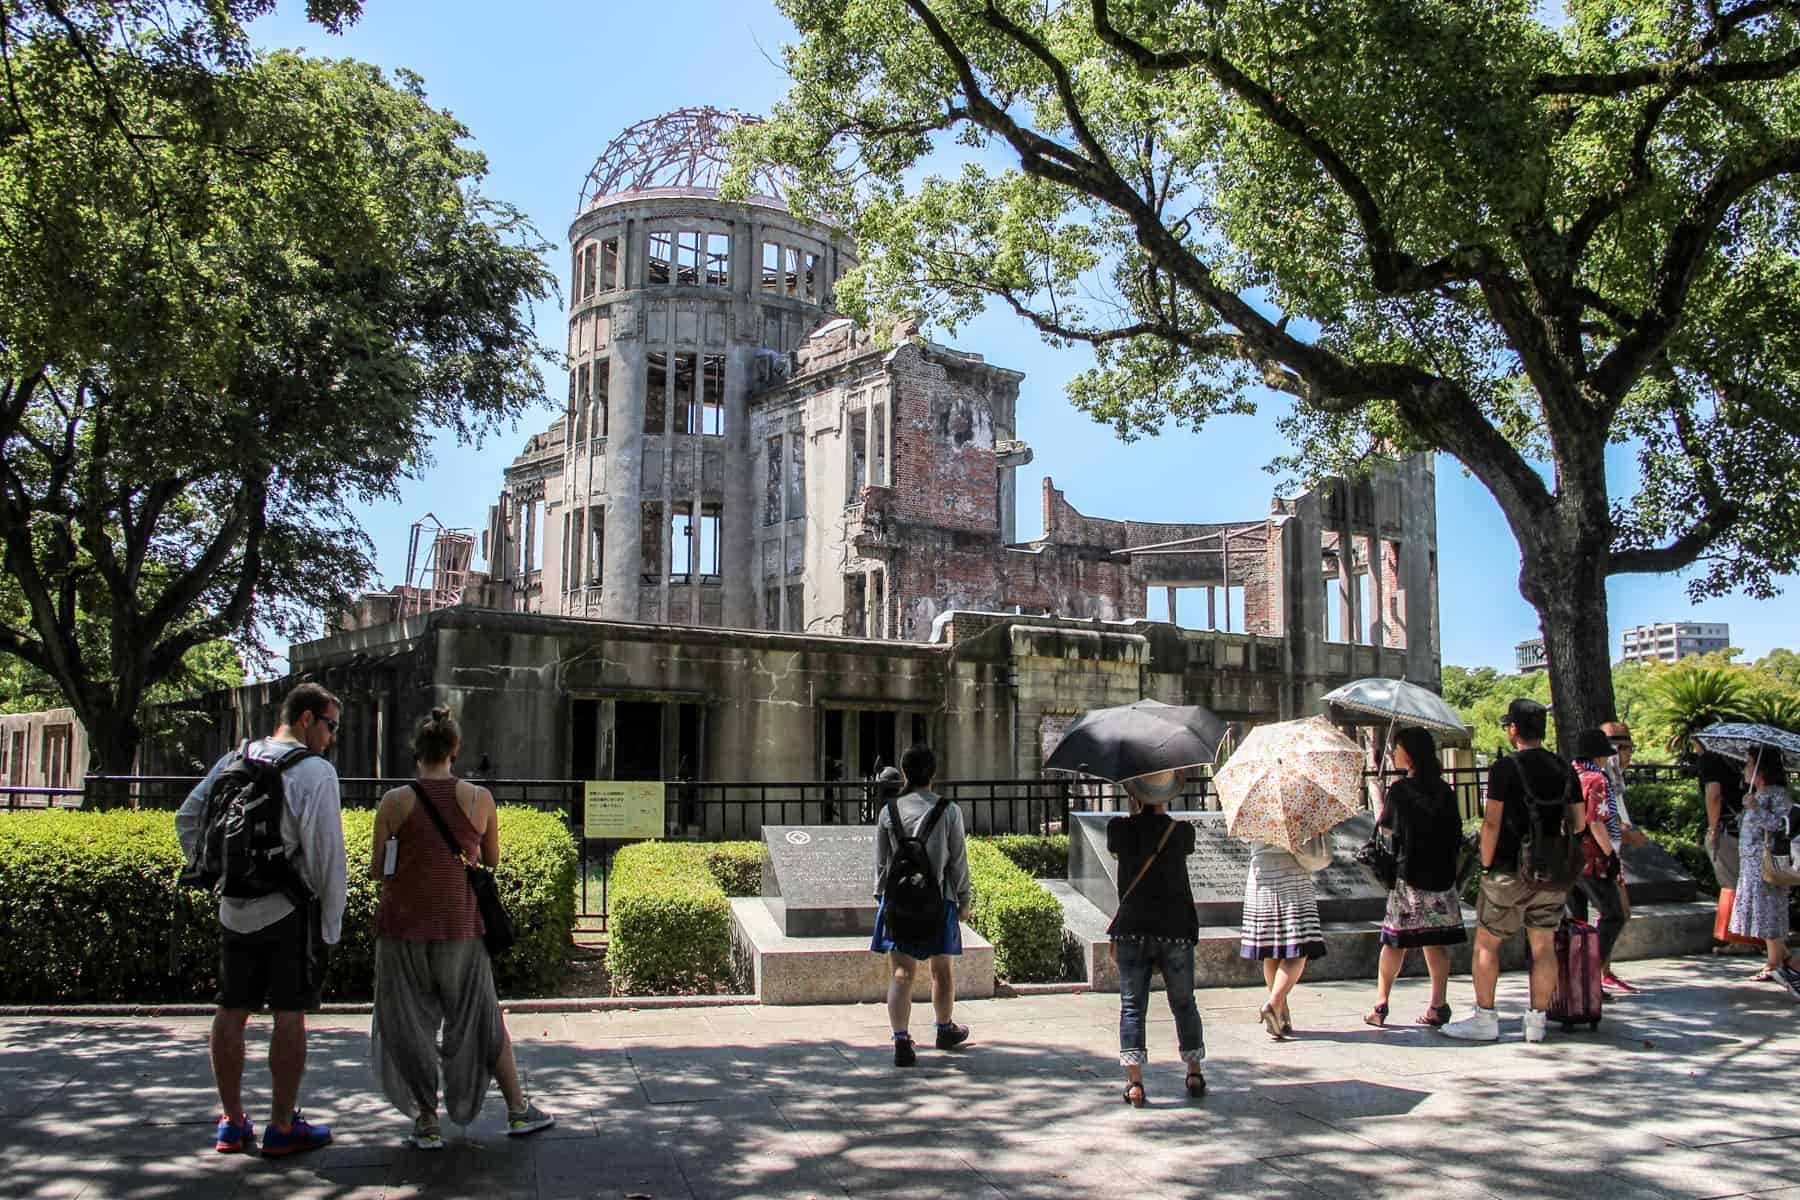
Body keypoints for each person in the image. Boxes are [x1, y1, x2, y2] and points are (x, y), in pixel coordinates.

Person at [368, 706, 554, 1148]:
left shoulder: (394, 801)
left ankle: (426, 1120)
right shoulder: (478, 798)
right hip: (461, 925)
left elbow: (378, 869)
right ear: (454, 750)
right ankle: (517, 1110)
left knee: (409, 1023)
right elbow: (490, 860)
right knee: (483, 1016)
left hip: (402, 927)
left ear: (417, 751)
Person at [175, 683, 347, 1157]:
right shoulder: (315, 772)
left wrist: (216, 869)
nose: (333, 736)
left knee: (231, 1010)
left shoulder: (238, 757)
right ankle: (281, 1126)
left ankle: (231, 1121)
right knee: (288, 1016)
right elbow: (327, 855)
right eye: (331, 725)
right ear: (307, 720)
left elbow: (188, 817)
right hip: (287, 911)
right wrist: (331, 923)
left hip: (234, 907)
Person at [1444, 698, 1586, 1044]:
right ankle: (1536, 1023)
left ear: (1513, 729)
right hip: (1552, 871)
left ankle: (1486, 1018)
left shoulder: (1506, 768)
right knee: (1543, 945)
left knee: (1488, 942)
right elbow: (1579, 822)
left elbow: (1491, 822)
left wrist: (1488, 866)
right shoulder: (1565, 768)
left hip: (1508, 867)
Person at [1107, 769, 1205, 1104]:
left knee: (1132, 1006)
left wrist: (1135, 810)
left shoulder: (1119, 830)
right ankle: (1193, 1071)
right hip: (1176, 928)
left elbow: (1121, 851)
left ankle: (1135, 1082)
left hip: (1133, 928)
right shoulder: (1181, 833)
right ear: (1168, 795)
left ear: (1134, 794)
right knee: (1184, 1002)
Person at [871, 743, 972, 1066]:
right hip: (938, 900)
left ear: (904, 771)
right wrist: (964, 900)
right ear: (934, 773)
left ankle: (901, 1041)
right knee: (942, 972)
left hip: (898, 901)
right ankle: (944, 1029)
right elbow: (958, 861)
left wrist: (882, 900)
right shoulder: (949, 811)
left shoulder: (889, 812)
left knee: (902, 973)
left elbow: (881, 865)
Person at [1363, 727, 1466, 1029]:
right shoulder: (1444, 790)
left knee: (1395, 942)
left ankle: (1381, 1004)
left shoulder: (1401, 791)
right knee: (1436, 943)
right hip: (1442, 876)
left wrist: (1382, 807)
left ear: (1409, 752)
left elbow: (1387, 830)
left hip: (1409, 876)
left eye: (1397, 747)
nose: (1394, 753)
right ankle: (1438, 1003)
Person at [1239, 825, 1326, 1040]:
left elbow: (1242, 835)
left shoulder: (1254, 801)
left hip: (1261, 874)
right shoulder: (1302, 798)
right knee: (1299, 949)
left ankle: (1282, 1015)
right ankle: (1274, 1003)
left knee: (1271, 949)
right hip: (1292, 872)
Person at [1728, 748, 1799, 997]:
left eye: (1749, 764)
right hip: (1750, 863)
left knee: (1769, 909)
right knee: (1761, 909)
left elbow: (1782, 826)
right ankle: (1781, 957)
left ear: (1762, 769)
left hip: (1766, 862)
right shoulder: (1757, 793)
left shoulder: (1777, 795)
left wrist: (1756, 808)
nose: (1745, 769)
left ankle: (1775, 962)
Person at [1566, 728, 1629, 987]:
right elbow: (1595, 821)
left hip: (1568, 856)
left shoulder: (1570, 774)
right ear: (1599, 756)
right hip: (1593, 857)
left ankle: (1572, 978)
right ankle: (1589, 974)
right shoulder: (1596, 779)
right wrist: (1610, 854)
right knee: (1614, 914)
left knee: (1577, 919)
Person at [1696, 739, 1760, 954]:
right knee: (1746, 882)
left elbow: (1714, 794)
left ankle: (1740, 939)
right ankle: (1755, 937)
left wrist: (1713, 829)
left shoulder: (1708, 759)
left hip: (1726, 829)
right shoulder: (1734, 757)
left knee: (1730, 883)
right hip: (1746, 828)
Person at [1600, 721, 1646, 992]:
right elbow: (1603, 817)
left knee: (1617, 913)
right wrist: (1628, 834)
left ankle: (1603, 969)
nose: (1630, 755)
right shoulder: (1602, 775)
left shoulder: (1612, 776)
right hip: (1604, 858)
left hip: (1611, 855)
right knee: (1616, 913)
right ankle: (1598, 971)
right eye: (1626, 748)